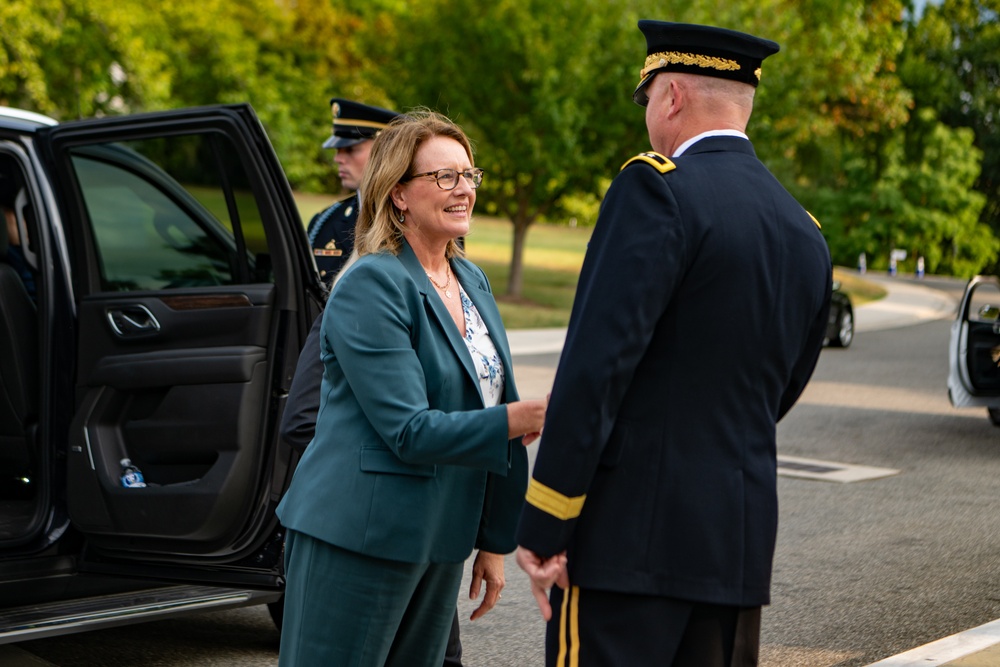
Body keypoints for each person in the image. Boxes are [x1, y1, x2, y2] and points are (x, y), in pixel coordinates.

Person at [515, 20, 833, 667]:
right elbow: (781, 386)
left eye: (649, 100)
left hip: (628, 545)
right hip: (735, 545)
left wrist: (546, 523)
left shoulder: (656, 188)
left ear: (671, 97)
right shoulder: (803, 230)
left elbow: (595, 370)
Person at [276, 110, 547, 666]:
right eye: (444, 177)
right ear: (398, 193)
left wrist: (494, 540)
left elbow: (491, 402)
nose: (464, 190)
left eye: (469, 175)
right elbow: (409, 430)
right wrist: (530, 416)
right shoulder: (373, 282)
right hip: (358, 535)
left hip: (440, 539)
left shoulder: (470, 278)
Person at [308, 98, 400, 285]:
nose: (338, 159)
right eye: (337, 150)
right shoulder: (325, 222)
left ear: (385, 150)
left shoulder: (422, 221)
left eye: (350, 149)